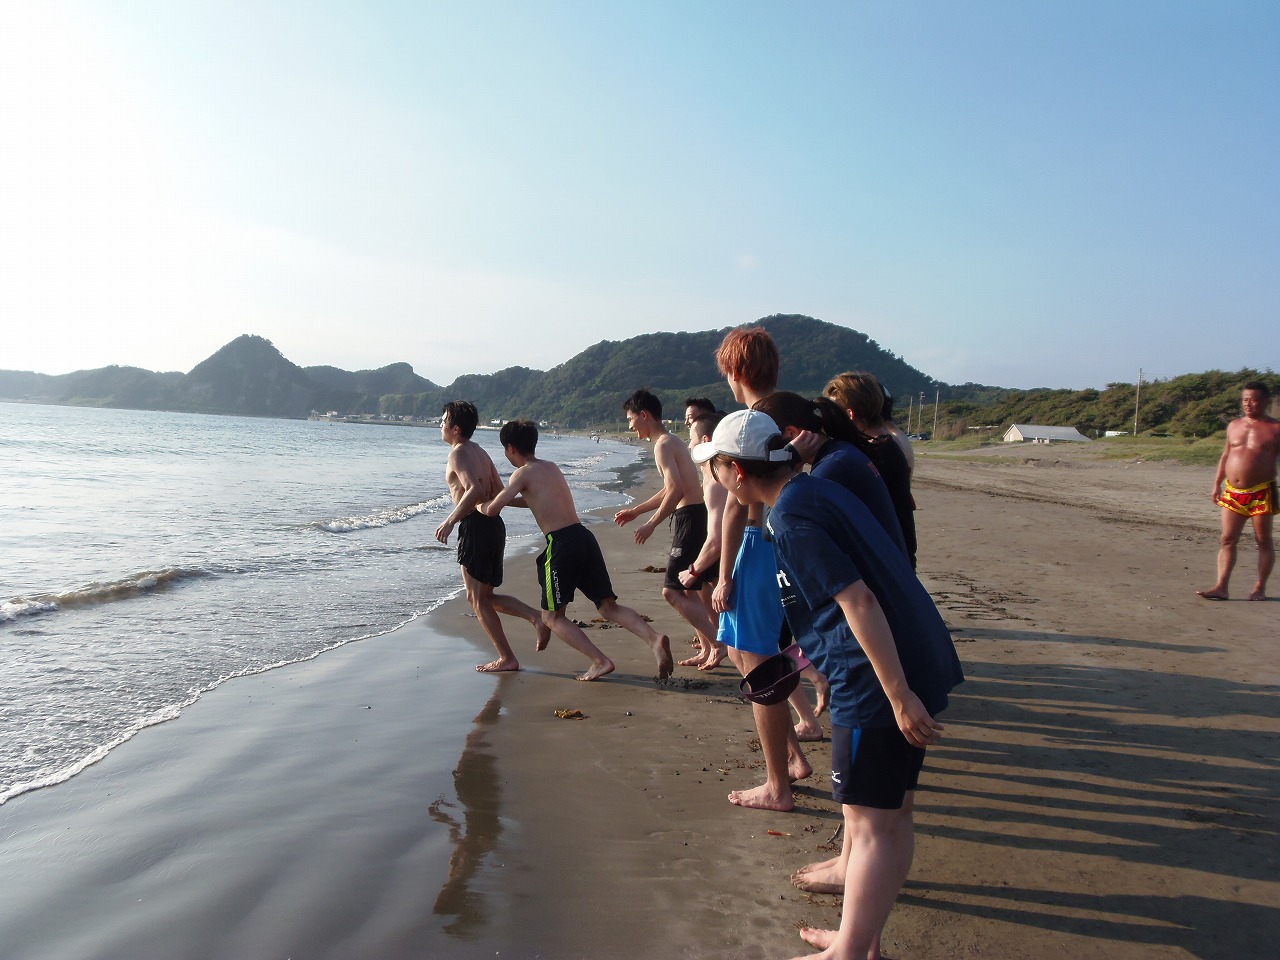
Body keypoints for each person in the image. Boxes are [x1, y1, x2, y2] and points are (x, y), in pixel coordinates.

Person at [694, 409, 963, 960]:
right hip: (910, 655)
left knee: (871, 826)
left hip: (878, 677)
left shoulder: (791, 517)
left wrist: (897, 695)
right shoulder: (814, 490)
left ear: (736, 472)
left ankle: (850, 954)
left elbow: (857, 601)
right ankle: (859, 943)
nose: (714, 478)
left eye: (715, 467)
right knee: (891, 814)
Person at [481, 419, 673, 681]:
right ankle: (654, 639)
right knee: (607, 606)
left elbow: (493, 510)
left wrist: (477, 505)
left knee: (551, 617)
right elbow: (533, 501)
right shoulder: (551, 468)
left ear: (510, 448)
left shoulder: (522, 473)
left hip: (561, 545)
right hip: (583, 537)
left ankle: (600, 661)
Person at [710, 327, 813, 809]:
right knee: (744, 655)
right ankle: (790, 759)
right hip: (779, 544)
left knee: (756, 662)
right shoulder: (792, 412)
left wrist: (723, 572)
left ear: (736, 371)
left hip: (758, 547)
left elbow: (737, 504)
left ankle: (778, 784)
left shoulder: (754, 421)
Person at [433, 401, 550, 673]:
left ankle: (508, 656)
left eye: (443, 421)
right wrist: (534, 501)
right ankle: (535, 618)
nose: (440, 425)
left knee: (476, 599)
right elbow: (499, 492)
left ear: (456, 428)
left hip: (475, 527)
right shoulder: (480, 452)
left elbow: (473, 491)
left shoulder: (458, 454)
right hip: (494, 525)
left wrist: (449, 521)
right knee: (484, 597)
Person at [613, 390, 724, 671]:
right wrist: (637, 511)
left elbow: (675, 490)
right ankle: (710, 645)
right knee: (689, 589)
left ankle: (719, 643)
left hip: (690, 517)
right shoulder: (671, 442)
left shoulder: (662, 445)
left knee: (672, 591)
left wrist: (651, 524)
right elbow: (669, 487)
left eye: (630, 419)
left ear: (644, 415)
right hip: (694, 515)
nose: (629, 426)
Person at [825, 371, 918, 569]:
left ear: (850, 415)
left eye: (832, 411)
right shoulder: (890, 444)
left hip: (885, 562)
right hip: (899, 555)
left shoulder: (867, 453)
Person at [1197, 381, 1280, 601]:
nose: (1248, 404)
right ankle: (1221, 586)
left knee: (1263, 541)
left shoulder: (1275, 428)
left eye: (1253, 399)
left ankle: (1259, 588)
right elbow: (1225, 456)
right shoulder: (1234, 425)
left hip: (1262, 491)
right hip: (1233, 490)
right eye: (1245, 399)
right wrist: (1217, 483)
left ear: (1265, 401)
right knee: (1227, 538)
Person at [677, 411, 730, 669]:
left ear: (706, 440)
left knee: (744, 642)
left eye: (692, 439)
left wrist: (694, 569)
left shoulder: (716, 482)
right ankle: (715, 645)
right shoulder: (710, 475)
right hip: (730, 558)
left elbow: (717, 538)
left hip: (739, 560)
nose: (688, 445)